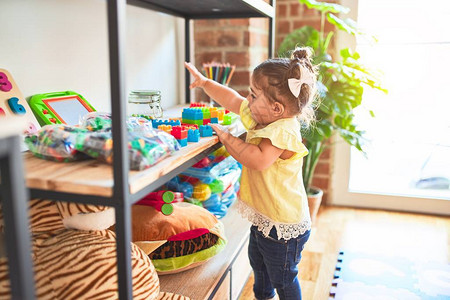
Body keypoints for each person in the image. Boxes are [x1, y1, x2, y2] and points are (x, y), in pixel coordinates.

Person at [184, 47, 317, 300]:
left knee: (284, 278)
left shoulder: (283, 131)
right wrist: (206, 83)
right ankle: (262, 296)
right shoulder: (262, 117)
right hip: (265, 217)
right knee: (259, 265)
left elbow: (257, 160)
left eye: (254, 95)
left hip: (284, 225)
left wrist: (226, 137)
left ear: (277, 109)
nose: (248, 99)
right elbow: (233, 99)